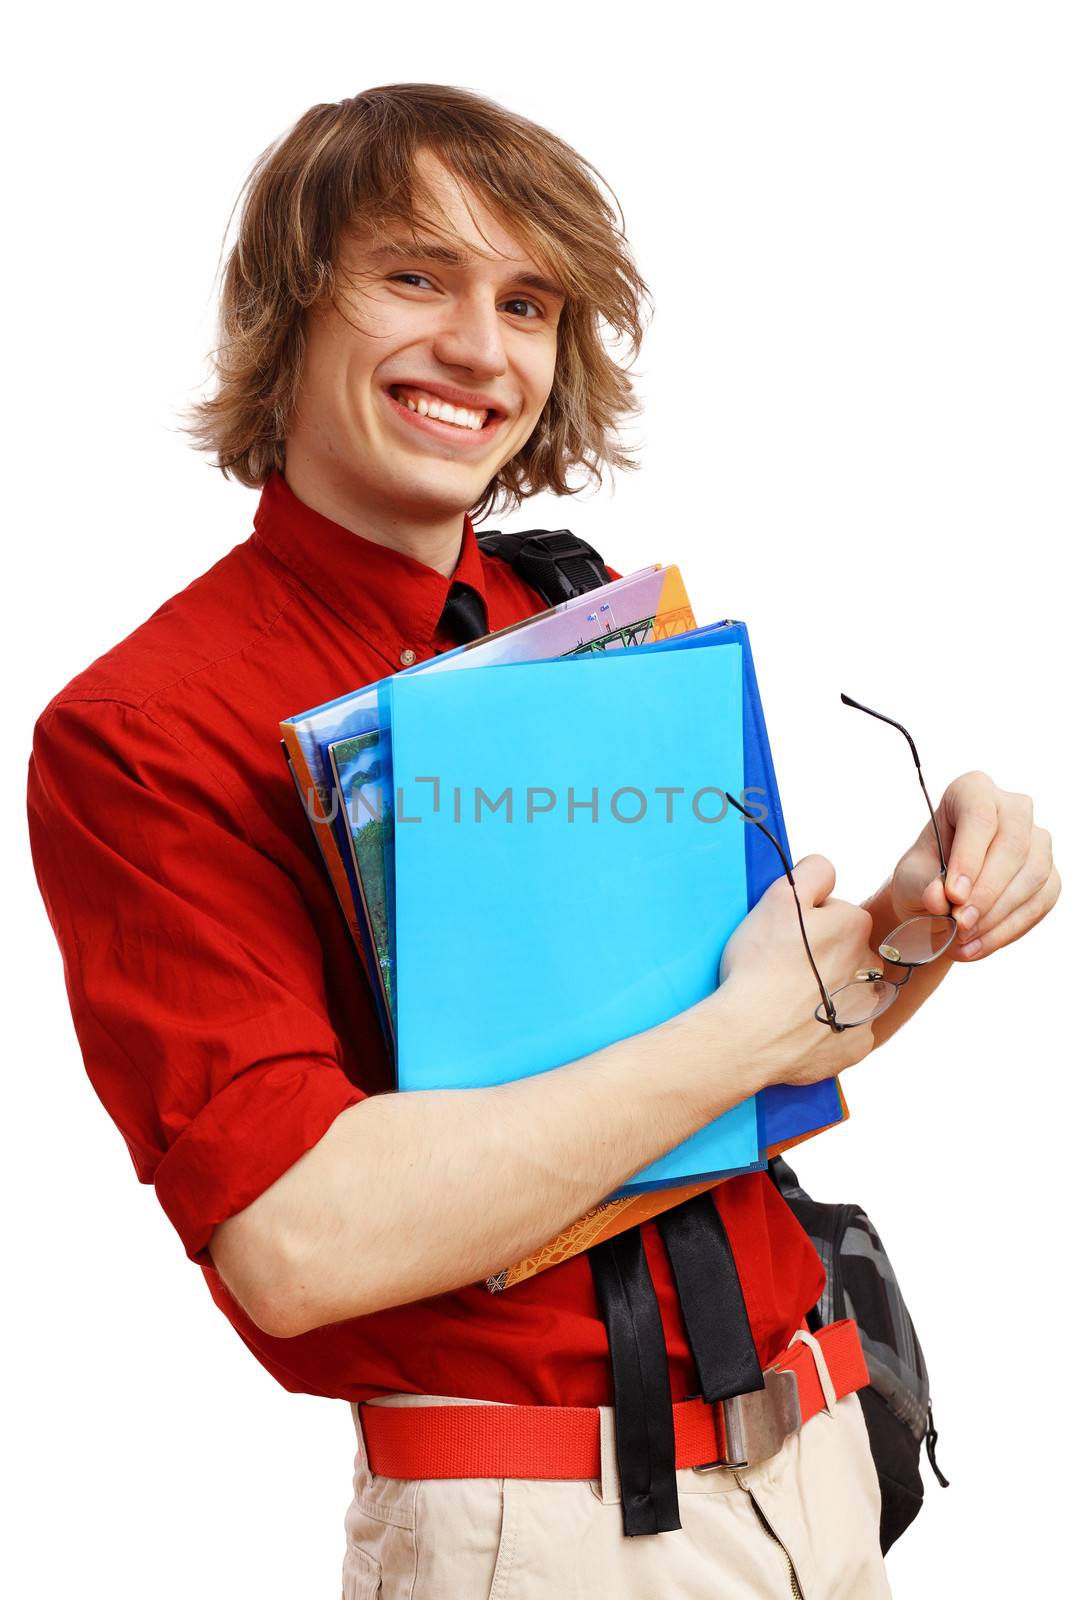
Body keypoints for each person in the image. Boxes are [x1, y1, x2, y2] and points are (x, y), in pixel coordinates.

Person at [26, 85, 1059, 1598]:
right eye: (414, 276)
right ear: (292, 304)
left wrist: (922, 920)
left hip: (824, 1462)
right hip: (556, 1530)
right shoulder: (149, 726)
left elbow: (749, 1048)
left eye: (527, 301)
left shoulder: (574, 620)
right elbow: (297, 1240)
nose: (480, 349)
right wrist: (748, 1028)